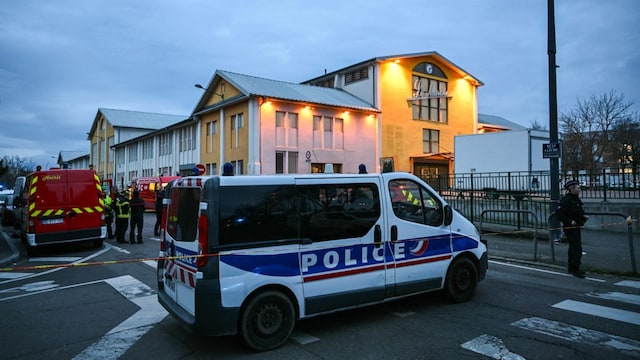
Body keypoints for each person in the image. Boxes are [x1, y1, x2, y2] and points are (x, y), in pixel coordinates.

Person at [556, 179, 589, 278]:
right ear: (571, 189)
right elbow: (560, 213)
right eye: (577, 188)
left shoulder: (575, 199)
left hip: (576, 226)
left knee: (575, 247)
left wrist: (583, 218)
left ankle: (573, 267)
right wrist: (569, 221)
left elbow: (577, 212)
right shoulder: (567, 200)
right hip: (570, 227)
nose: (579, 189)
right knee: (576, 248)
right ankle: (575, 269)